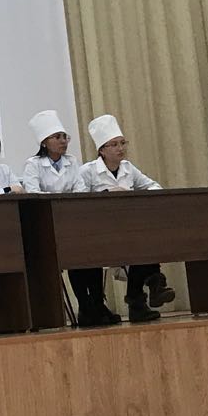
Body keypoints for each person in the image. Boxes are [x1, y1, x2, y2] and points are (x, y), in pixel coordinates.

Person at [73, 113, 176, 323]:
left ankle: (141, 298)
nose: (120, 148)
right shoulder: (88, 171)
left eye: (122, 143)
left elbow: (154, 186)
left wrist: (135, 196)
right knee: (139, 243)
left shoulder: (128, 168)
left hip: (128, 230)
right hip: (99, 234)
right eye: (114, 145)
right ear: (102, 150)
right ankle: (149, 288)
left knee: (145, 240)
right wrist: (106, 195)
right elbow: (78, 200)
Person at [21, 110, 119, 328]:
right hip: (47, 227)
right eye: (57, 137)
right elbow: (33, 193)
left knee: (90, 253)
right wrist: (60, 200)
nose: (63, 141)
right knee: (73, 255)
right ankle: (84, 305)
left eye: (65, 137)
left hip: (73, 222)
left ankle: (96, 303)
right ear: (44, 142)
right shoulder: (33, 164)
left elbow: (80, 189)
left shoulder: (72, 161)